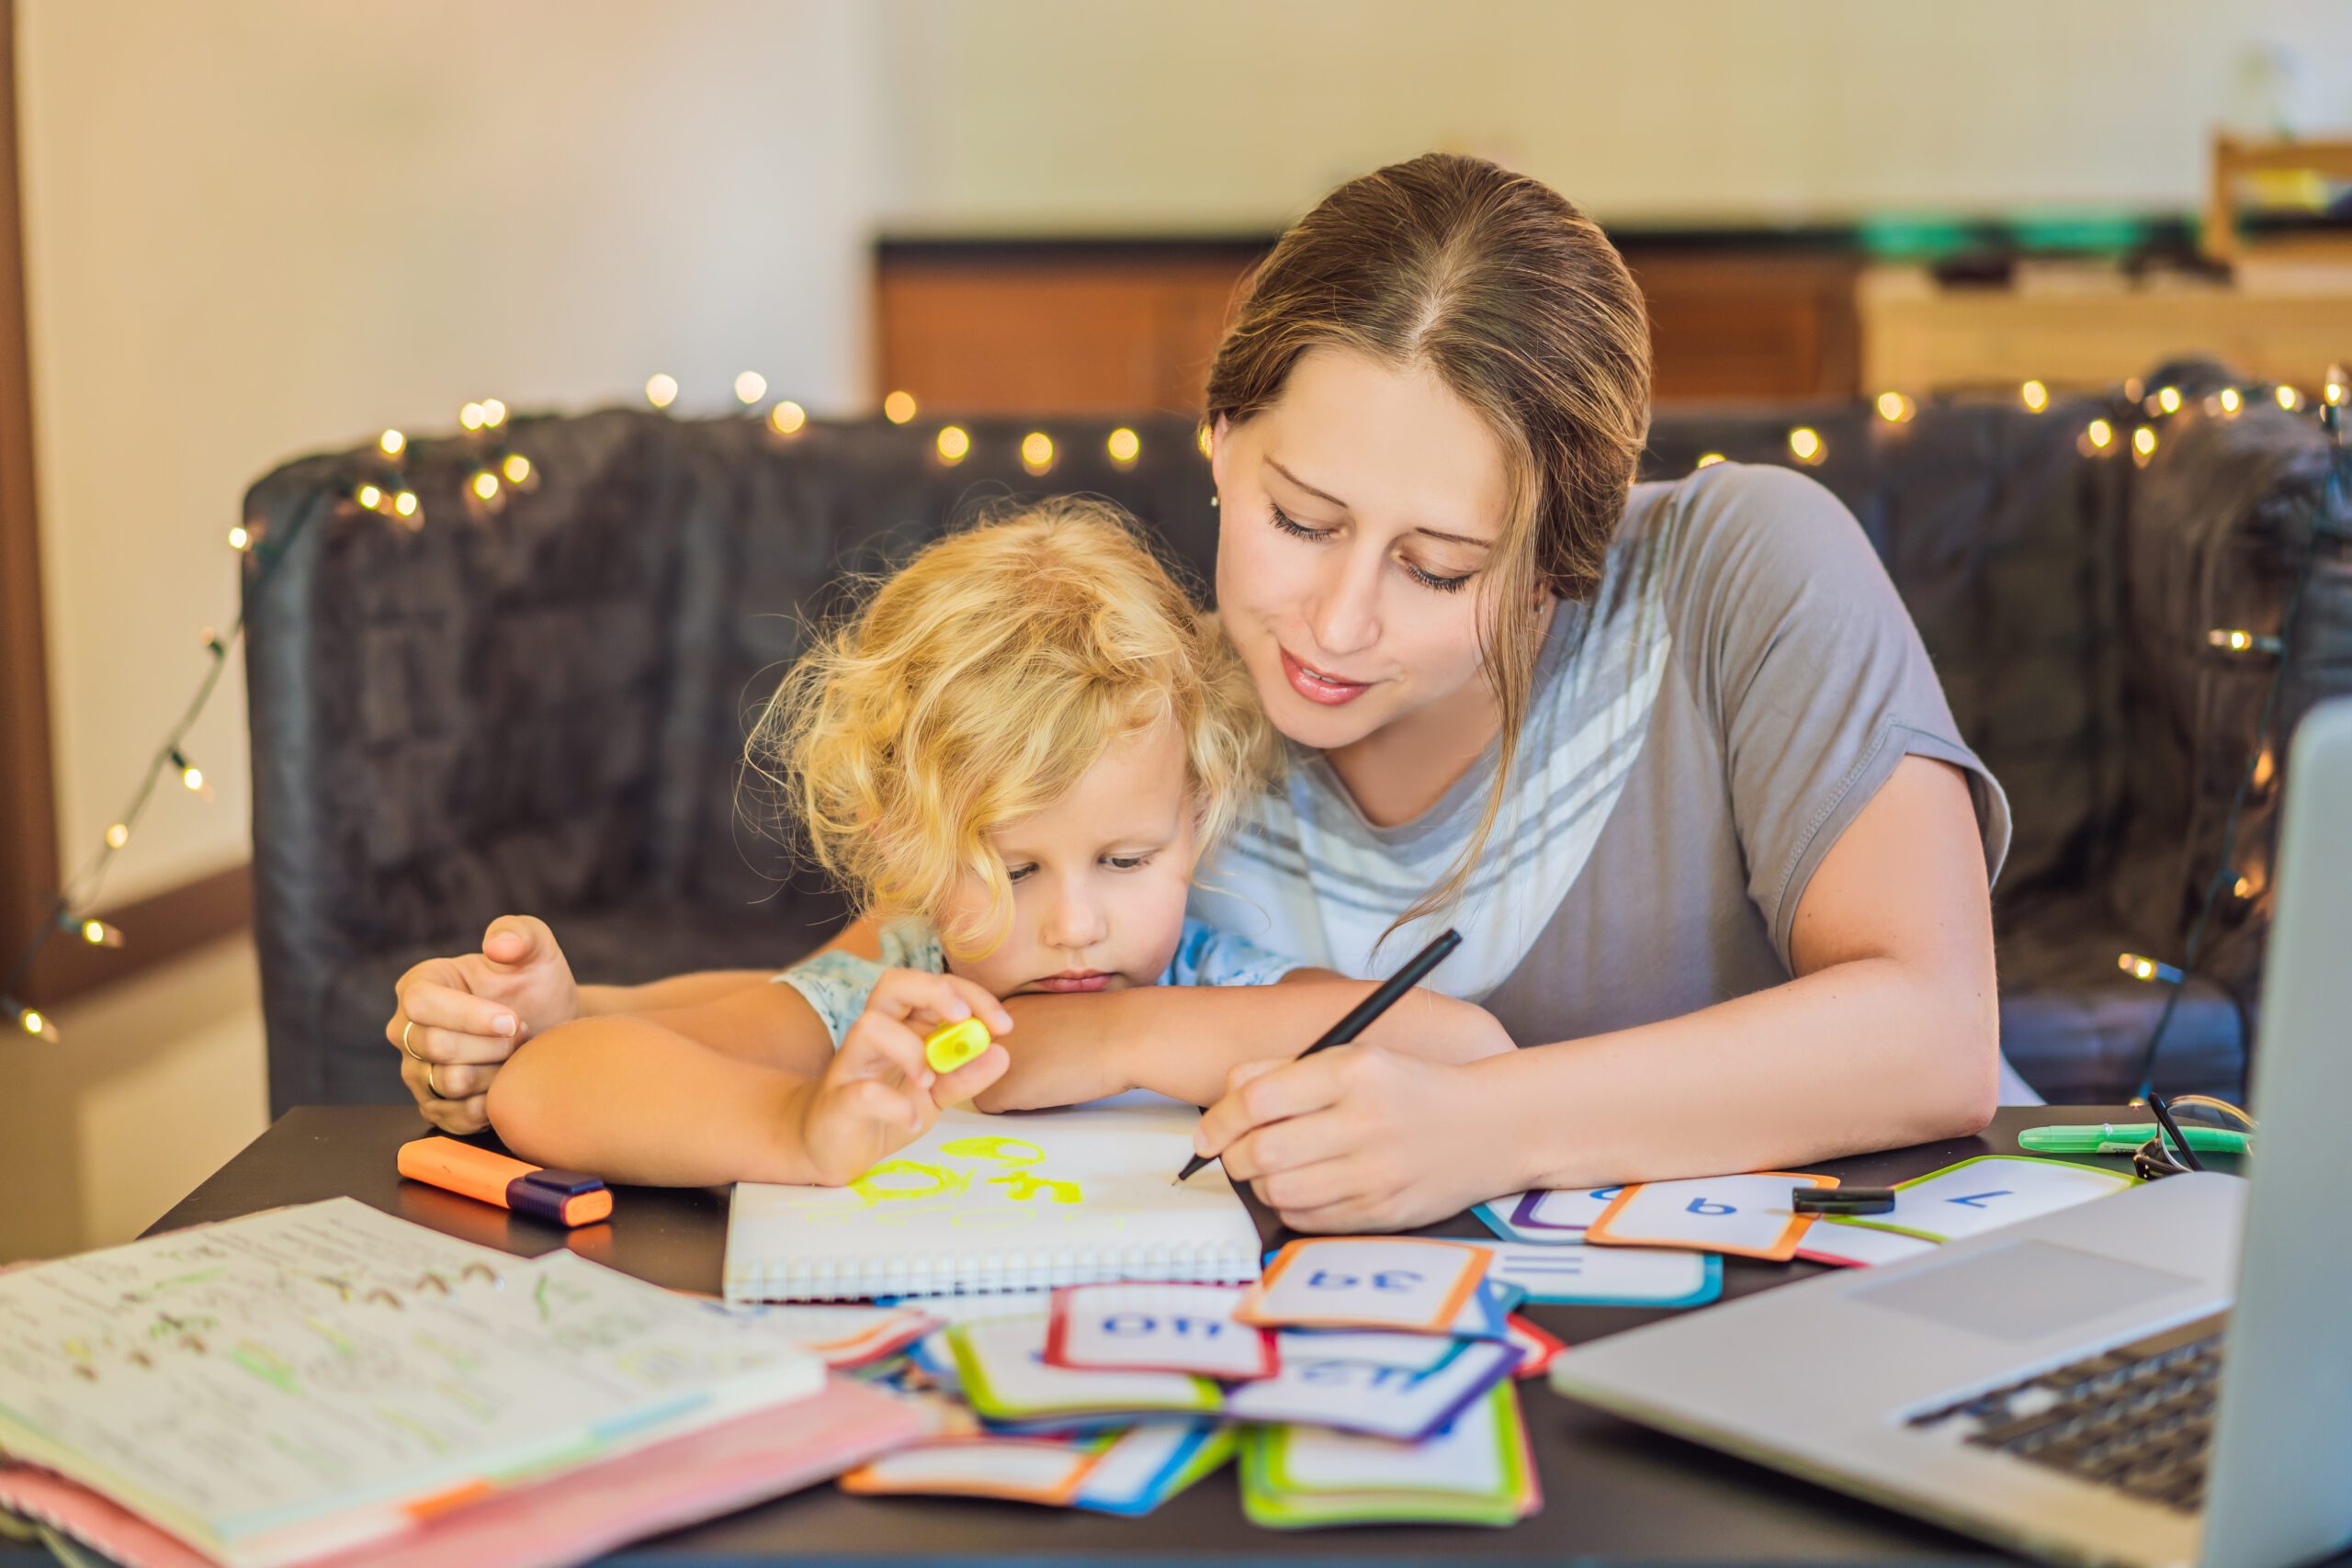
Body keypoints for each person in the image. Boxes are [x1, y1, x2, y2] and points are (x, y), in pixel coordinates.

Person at [392, 152, 2011, 1231]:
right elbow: (838, 1002)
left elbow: (1934, 1032)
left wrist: (1494, 1127)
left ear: (1552, 568)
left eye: (1440, 569)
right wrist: (548, 1022)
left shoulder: (1740, 571)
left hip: (1863, 1312)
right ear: (1223, 443)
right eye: (1301, 520)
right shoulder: (1155, 724)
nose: (1334, 624)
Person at [476, 499, 1513, 1187]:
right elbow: (546, 1084)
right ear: (904, 854)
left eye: (1125, 861)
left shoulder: (1209, 989)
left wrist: (1116, 1041)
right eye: (1011, 869)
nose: (1074, 925)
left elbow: (1470, 1055)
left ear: (1194, 823)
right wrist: (797, 1127)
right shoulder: (893, 1009)